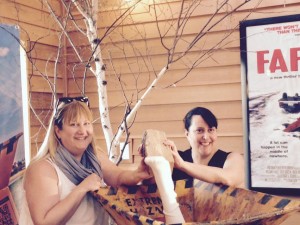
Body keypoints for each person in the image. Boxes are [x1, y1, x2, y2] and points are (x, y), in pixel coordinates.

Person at [20, 96, 152, 225]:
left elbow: (118, 177)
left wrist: (137, 174)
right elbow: (44, 222)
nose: (82, 131)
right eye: (74, 125)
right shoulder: (42, 168)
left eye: (86, 123)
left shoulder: (94, 156)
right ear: (58, 131)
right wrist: (82, 188)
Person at [165, 107, 245, 188]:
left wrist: (182, 165)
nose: (206, 137)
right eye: (199, 130)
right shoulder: (175, 158)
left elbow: (229, 179)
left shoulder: (233, 158)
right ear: (187, 134)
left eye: (210, 130)